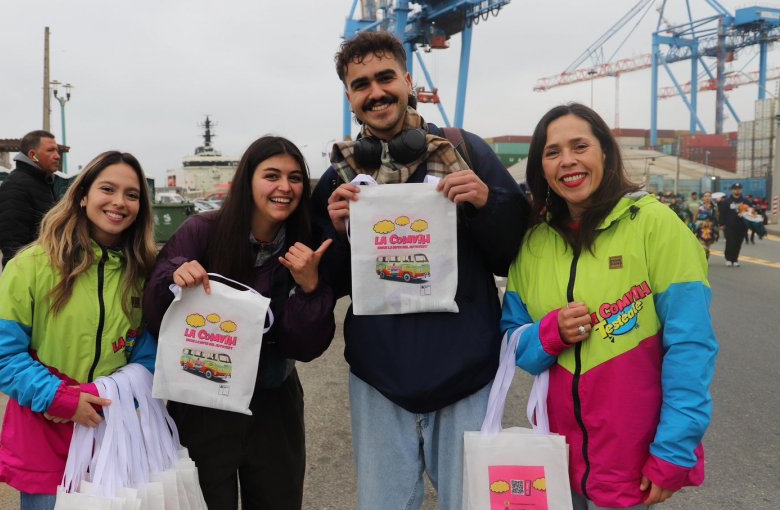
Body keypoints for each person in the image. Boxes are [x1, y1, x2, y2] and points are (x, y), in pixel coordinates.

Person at [311, 31, 529, 510]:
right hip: (379, 377)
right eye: (361, 84)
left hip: (466, 371)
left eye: (386, 77)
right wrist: (339, 232)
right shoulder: (337, 178)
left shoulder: (464, 152)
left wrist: (486, 203)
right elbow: (327, 283)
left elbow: (509, 253)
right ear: (350, 97)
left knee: (470, 502)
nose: (376, 92)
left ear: (408, 81)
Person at [501, 103, 718, 509]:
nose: (567, 161)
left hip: (629, 467)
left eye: (579, 146)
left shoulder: (655, 224)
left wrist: (674, 450)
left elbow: (692, 348)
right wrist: (550, 334)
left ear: (604, 152)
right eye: (552, 152)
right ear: (541, 168)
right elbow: (514, 345)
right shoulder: (533, 244)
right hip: (555, 460)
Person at [143, 136, 336, 510]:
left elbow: (305, 347)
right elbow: (154, 312)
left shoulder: (305, 244)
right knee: (203, 502)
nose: (285, 187)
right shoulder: (202, 230)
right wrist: (174, 277)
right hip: (201, 399)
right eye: (272, 175)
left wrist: (310, 288)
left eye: (295, 177)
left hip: (273, 401)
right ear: (247, 180)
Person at [0, 151, 158, 510]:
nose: (119, 202)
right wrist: (62, 400)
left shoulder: (143, 273)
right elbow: (2, 358)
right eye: (107, 189)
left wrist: (98, 396)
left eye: (132, 194)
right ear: (82, 195)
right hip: (45, 439)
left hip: (114, 434)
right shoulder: (30, 266)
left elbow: (149, 357)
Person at [0, 130, 62, 268]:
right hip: (30, 275)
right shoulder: (15, 188)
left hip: (47, 270)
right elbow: (13, 247)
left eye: (57, 151)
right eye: (51, 151)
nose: (57, 156)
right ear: (33, 155)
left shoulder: (44, 182)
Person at [718, 182, 754, 266]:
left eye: (738, 189)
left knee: (738, 243)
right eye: (735, 189)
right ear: (732, 190)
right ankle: (728, 259)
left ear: (741, 190)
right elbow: (723, 213)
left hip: (742, 225)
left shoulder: (745, 201)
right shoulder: (727, 201)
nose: (737, 191)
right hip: (729, 226)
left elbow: (750, 211)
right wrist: (722, 224)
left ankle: (735, 259)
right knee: (730, 242)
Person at [694, 191, 719, 259]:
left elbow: (717, 219)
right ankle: (702, 258)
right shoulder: (699, 207)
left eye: (709, 196)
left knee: (707, 247)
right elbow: (695, 219)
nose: (707, 198)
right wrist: (698, 224)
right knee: (703, 246)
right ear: (703, 198)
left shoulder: (714, 208)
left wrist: (716, 229)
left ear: (711, 198)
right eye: (705, 196)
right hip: (701, 229)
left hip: (710, 229)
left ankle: (705, 258)